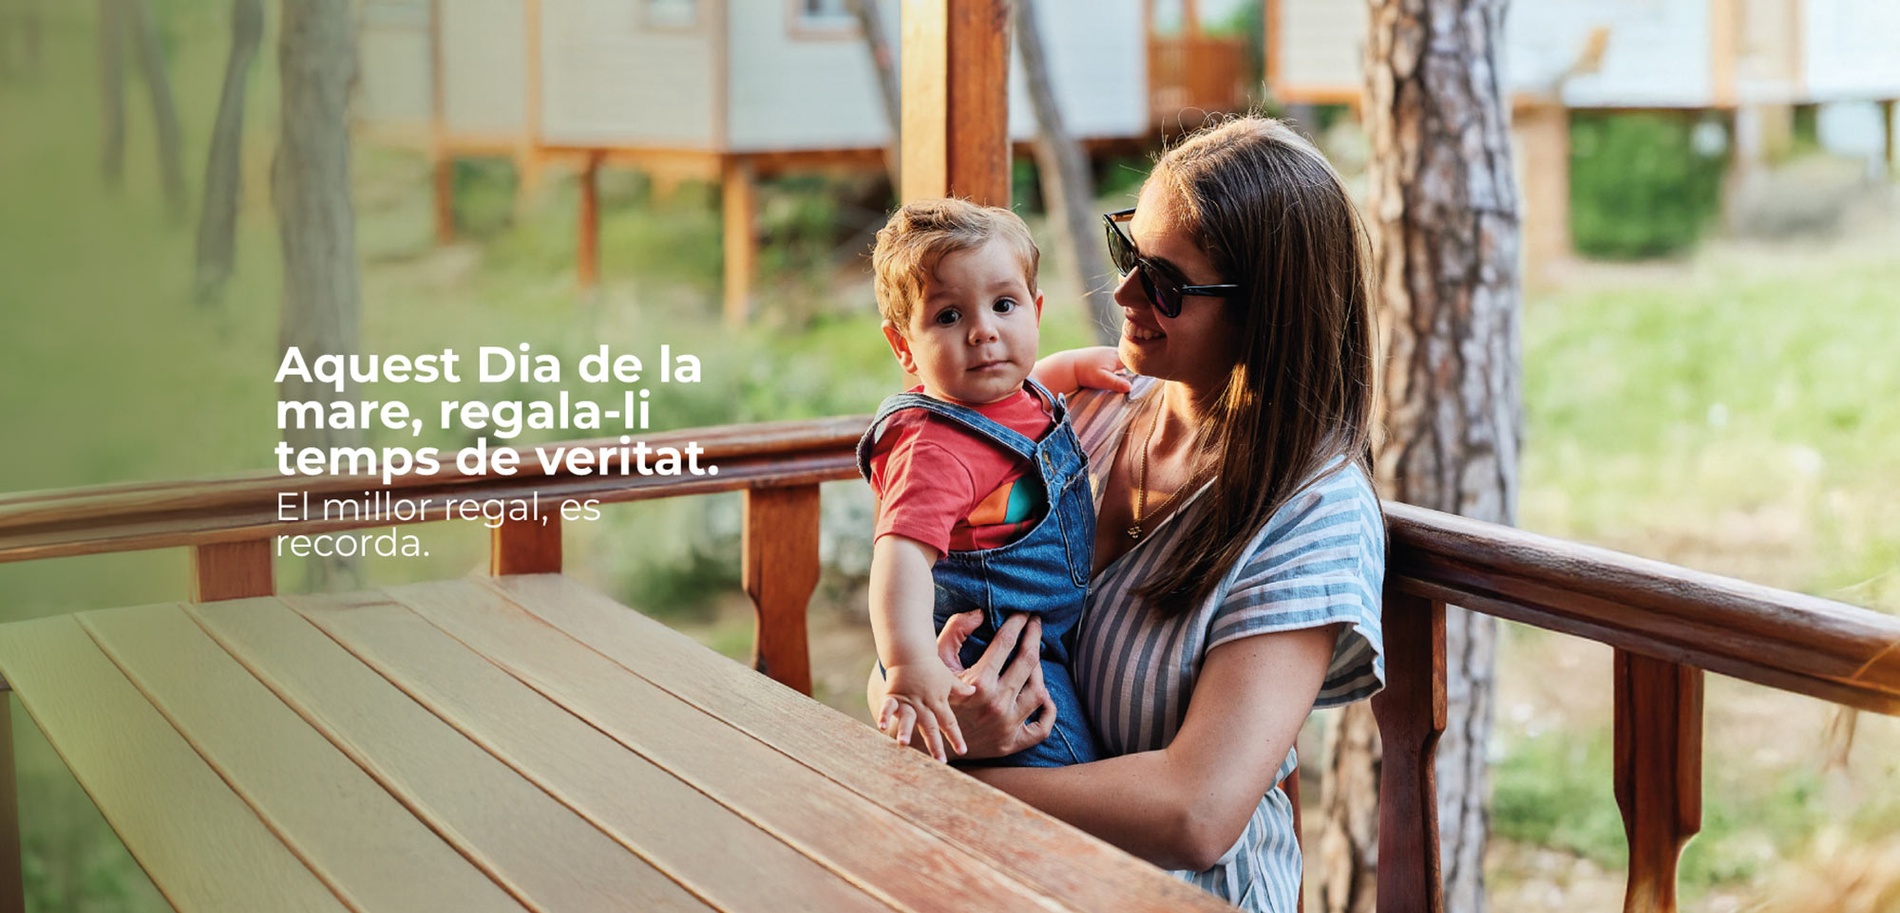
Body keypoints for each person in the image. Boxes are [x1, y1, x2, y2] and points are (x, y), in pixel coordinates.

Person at [868, 116, 1387, 911]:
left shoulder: (1313, 511)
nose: (1122, 295)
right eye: (1129, 252)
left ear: (1267, 312)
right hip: (1005, 878)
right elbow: (920, 619)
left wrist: (957, 786)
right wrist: (932, 716)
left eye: (1167, 284)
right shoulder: (1074, 410)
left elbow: (1197, 813)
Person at [858, 198, 1123, 767]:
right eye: (949, 316)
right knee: (1071, 761)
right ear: (904, 345)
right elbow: (899, 557)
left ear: (1036, 309)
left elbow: (1023, 413)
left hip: (1042, 634)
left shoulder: (1017, 394)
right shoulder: (933, 448)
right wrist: (908, 667)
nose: (984, 332)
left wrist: (1071, 367)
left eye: (1004, 305)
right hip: (997, 657)